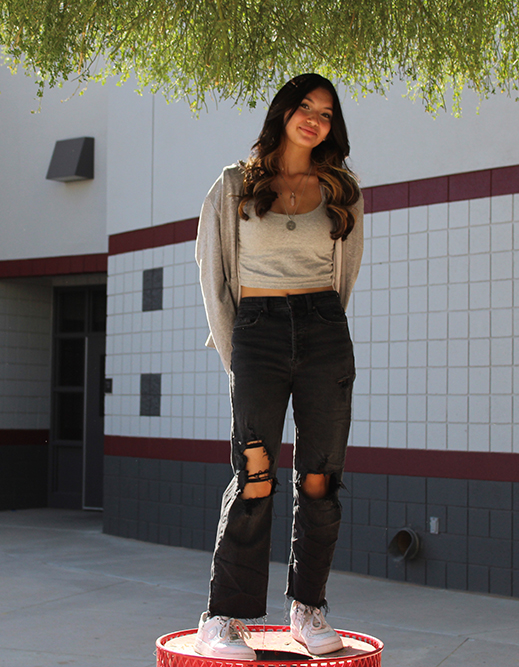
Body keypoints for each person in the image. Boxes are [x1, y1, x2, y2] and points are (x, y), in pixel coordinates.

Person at [193, 73, 364, 660]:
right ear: (283, 111)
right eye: (305, 106)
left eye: (326, 111)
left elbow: (344, 276)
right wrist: (237, 351)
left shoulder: (343, 188)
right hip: (257, 333)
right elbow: (214, 278)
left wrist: (320, 333)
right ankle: (223, 618)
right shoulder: (233, 185)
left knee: (320, 476)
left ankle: (307, 609)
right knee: (255, 473)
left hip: (323, 330)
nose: (314, 118)